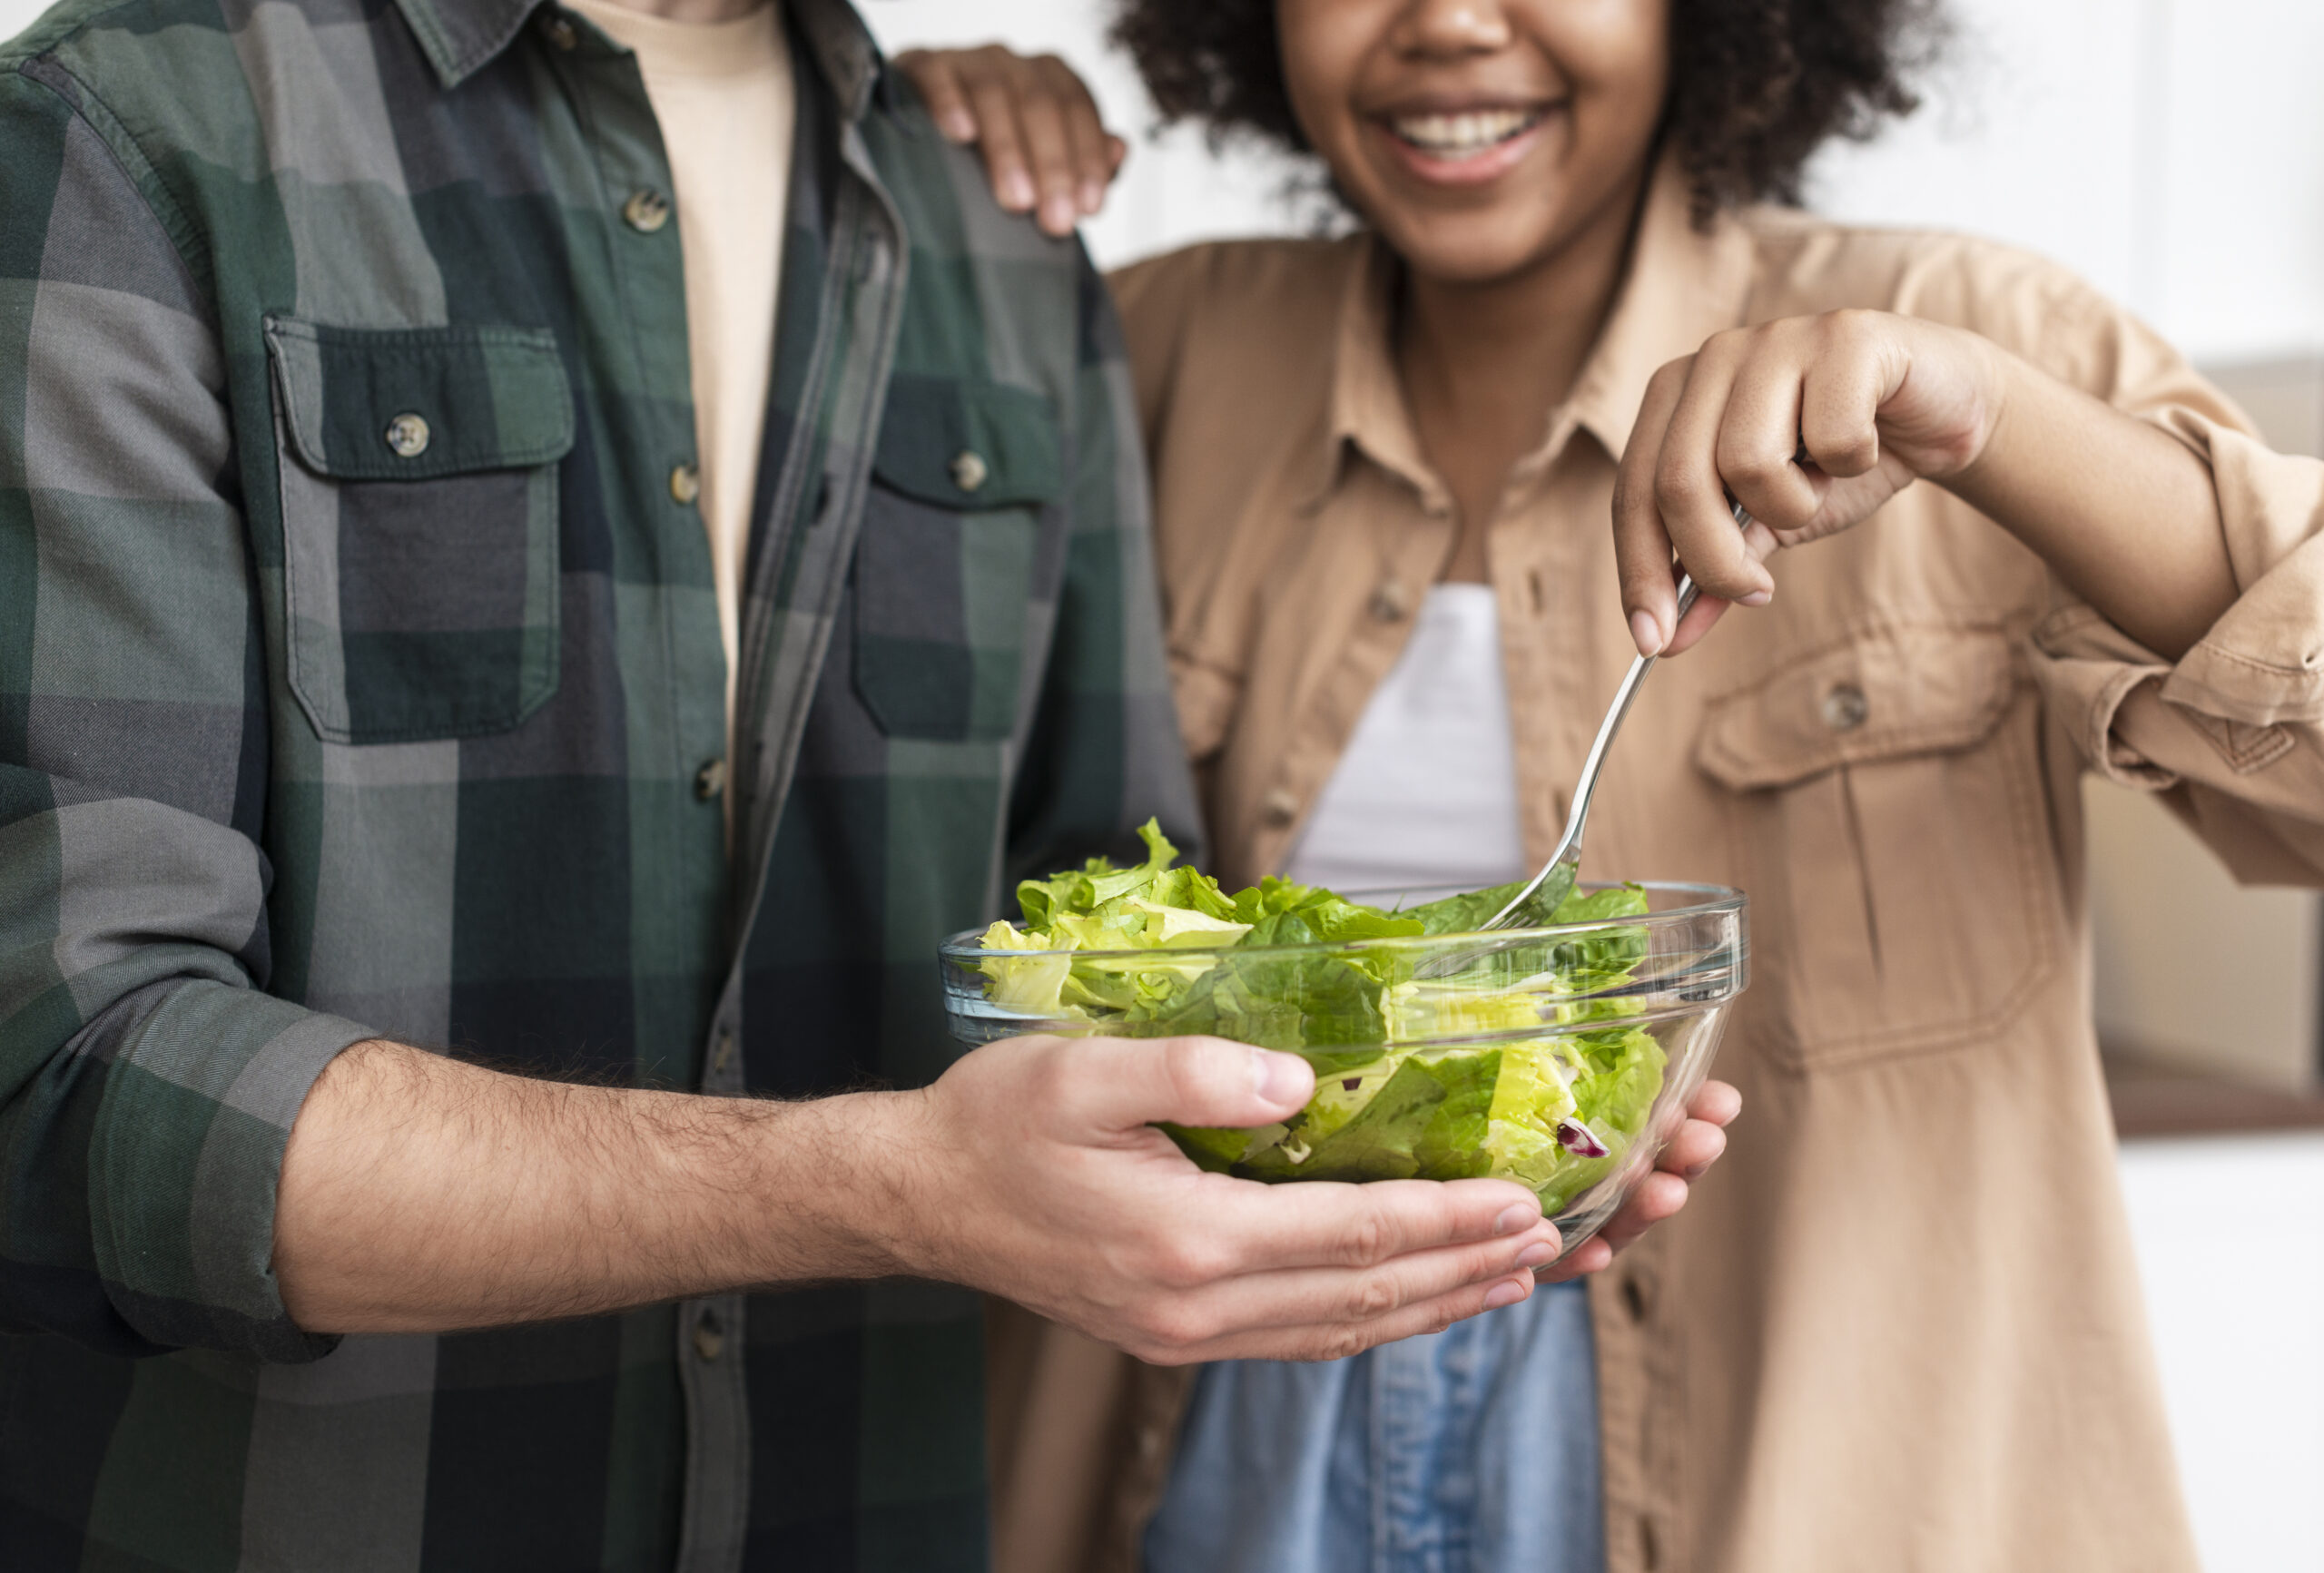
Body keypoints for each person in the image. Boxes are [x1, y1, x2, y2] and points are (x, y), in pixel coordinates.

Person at [0, 0, 1742, 1567]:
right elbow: (67, 1083)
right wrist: (883, 1182)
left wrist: (1439, 1155)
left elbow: (1132, 959)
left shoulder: (1004, 238)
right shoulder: (131, 133)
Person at [900, 2, 2324, 1569]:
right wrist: (890, 160)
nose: (1445, 21)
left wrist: (1988, 420)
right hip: (1233, 1439)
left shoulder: (1953, 331)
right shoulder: (1145, 344)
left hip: (1810, 1480)